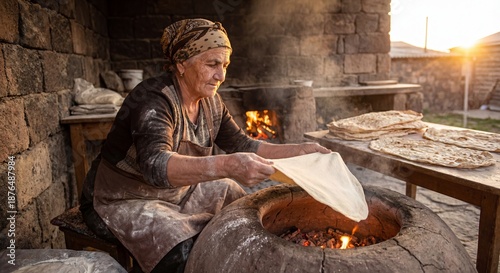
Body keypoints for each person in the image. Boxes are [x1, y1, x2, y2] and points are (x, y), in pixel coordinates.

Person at [79, 18, 330, 273]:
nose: (220, 76)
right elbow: (156, 167)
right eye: (212, 64)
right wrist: (227, 165)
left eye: (225, 65)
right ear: (181, 64)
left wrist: (300, 151)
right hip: (123, 199)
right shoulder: (153, 100)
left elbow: (242, 144)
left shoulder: (211, 103)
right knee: (180, 247)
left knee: (244, 208)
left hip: (179, 192)